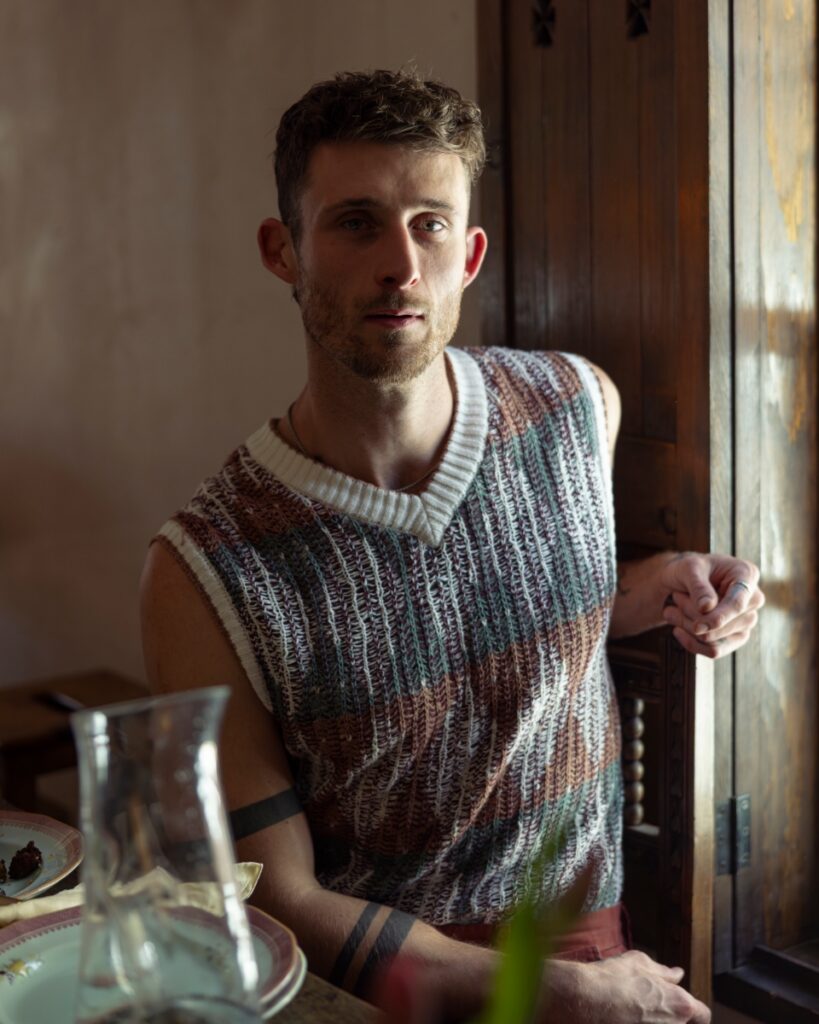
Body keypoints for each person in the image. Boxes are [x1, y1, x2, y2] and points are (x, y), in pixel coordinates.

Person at [140, 69, 764, 1023]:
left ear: (469, 254)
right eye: (356, 223)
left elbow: (506, 606)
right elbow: (276, 899)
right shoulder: (202, 569)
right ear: (282, 249)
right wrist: (550, 994)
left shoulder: (574, 407)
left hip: (592, 947)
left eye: (428, 225)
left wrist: (663, 584)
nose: (400, 264)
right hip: (378, 991)